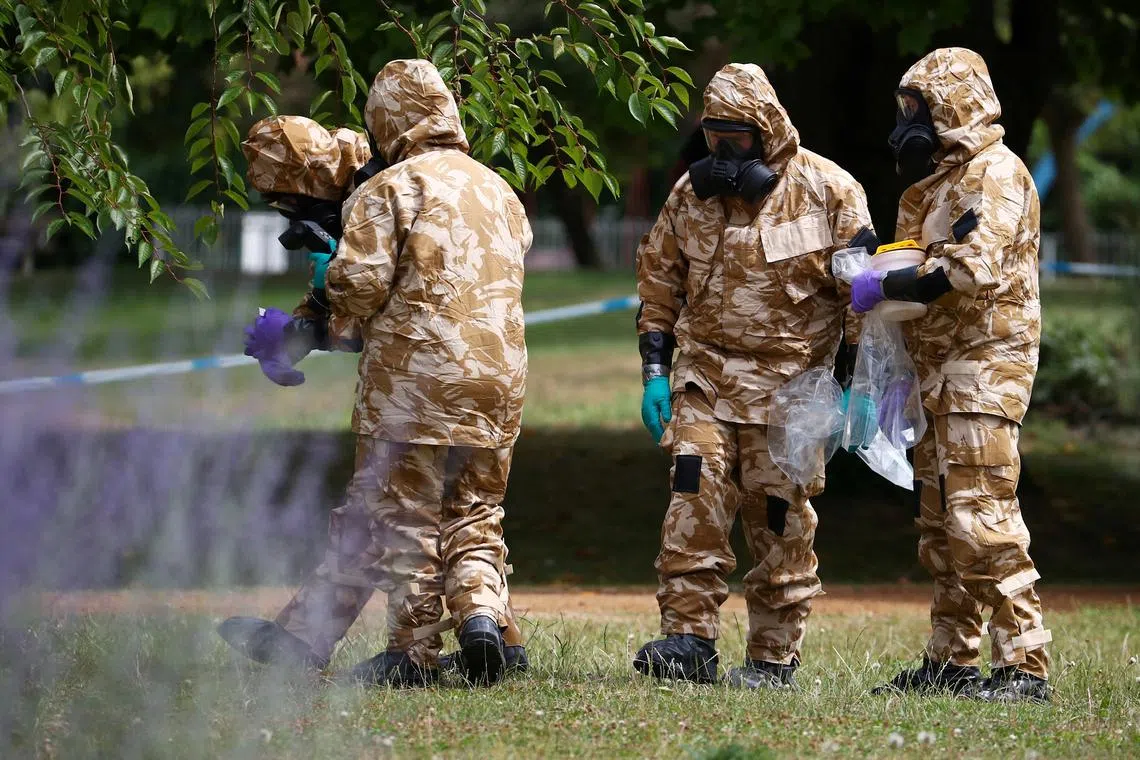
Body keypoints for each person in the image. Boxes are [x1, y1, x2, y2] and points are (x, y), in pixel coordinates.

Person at [217, 94, 531, 687]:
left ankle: (412, 654)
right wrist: (305, 325)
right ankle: (486, 629)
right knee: (472, 513)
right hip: (498, 379)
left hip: (416, 382)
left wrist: (321, 293)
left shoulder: (388, 187)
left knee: (397, 512)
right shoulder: (498, 189)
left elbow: (362, 292)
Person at [634, 62, 876, 688]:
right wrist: (656, 371)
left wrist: (856, 387)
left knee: (778, 520)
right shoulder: (690, 196)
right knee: (692, 496)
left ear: (767, 130)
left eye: (736, 137)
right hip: (705, 381)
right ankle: (687, 640)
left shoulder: (830, 191)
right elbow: (658, 283)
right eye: (713, 135)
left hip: (792, 389)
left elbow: (864, 298)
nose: (722, 150)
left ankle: (772, 657)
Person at [850, 47, 1051, 703]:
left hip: (983, 371)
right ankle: (952, 661)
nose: (909, 123)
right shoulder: (932, 187)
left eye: (920, 109)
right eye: (905, 110)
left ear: (954, 106)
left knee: (981, 517)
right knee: (942, 529)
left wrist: (888, 280)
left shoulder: (995, 174)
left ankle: (1025, 666)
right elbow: (919, 269)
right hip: (937, 373)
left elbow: (972, 269)